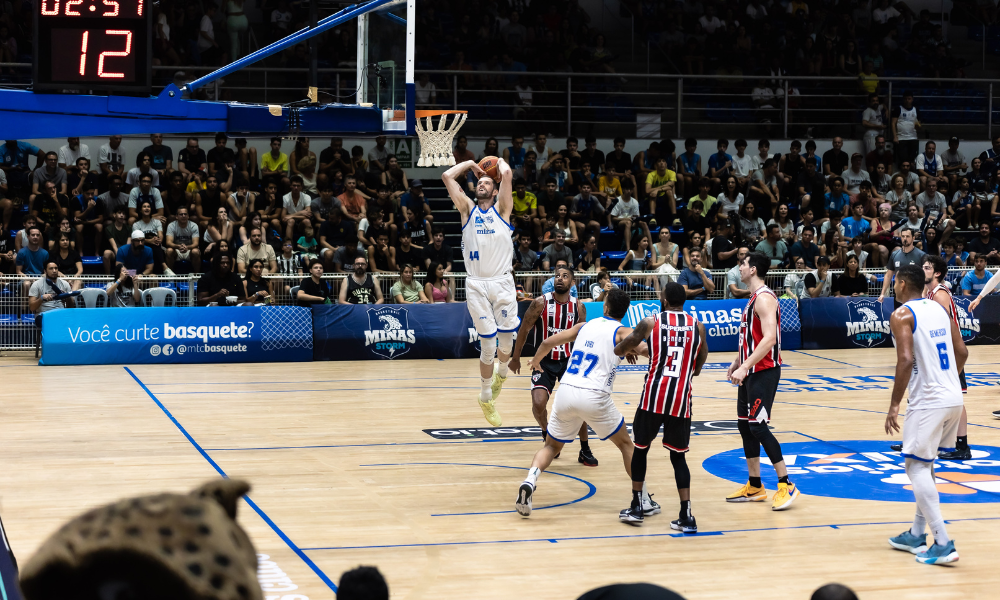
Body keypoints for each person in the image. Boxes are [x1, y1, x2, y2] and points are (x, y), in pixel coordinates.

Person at [515, 289, 641, 517]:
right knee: (626, 445)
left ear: (604, 307)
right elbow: (645, 349)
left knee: (551, 447)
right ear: (625, 311)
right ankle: (641, 499)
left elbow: (547, 341)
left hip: (567, 392)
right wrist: (634, 345)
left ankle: (530, 479)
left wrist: (535, 360)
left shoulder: (585, 326)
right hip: (594, 395)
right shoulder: (624, 331)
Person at [884, 264, 965, 565]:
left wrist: (894, 405)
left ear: (903, 284)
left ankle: (942, 543)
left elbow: (905, 360)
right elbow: (963, 352)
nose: (892, 286)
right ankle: (917, 534)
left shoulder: (901, 314)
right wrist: (947, 382)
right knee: (925, 465)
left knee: (915, 469)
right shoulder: (940, 309)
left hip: (928, 401)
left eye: (894, 282)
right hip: (953, 396)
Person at [614, 282, 708, 529]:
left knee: (641, 450)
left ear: (665, 300)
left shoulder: (651, 322)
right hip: (680, 400)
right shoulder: (698, 326)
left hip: (653, 397)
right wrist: (691, 370)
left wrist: (624, 349)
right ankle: (687, 515)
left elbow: (621, 347)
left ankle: (636, 506)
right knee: (679, 458)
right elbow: (700, 362)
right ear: (684, 301)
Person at [726, 252, 799, 510]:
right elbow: (753, 337)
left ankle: (786, 483)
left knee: (758, 426)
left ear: (753, 269)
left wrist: (746, 365)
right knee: (745, 427)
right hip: (750, 370)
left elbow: (769, 339)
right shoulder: (753, 298)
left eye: (743, 264)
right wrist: (739, 360)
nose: (739, 267)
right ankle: (755, 485)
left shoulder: (765, 298)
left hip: (764, 371)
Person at [510, 266, 600, 467]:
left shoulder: (579, 307)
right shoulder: (540, 303)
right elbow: (524, 329)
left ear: (573, 283)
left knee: (580, 405)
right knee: (539, 403)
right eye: (557, 276)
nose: (560, 279)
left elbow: (581, 337)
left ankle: (584, 449)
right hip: (544, 361)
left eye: (565, 276)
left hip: (569, 361)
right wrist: (515, 357)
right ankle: (546, 432)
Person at [878, 228, 926, 302]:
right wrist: (882, 293)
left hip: (915, 294)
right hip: (899, 294)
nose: (905, 239)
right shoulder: (894, 254)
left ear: (913, 238)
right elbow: (888, 275)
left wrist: (924, 293)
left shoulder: (921, 255)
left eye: (907, 236)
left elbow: (926, 276)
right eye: (903, 236)